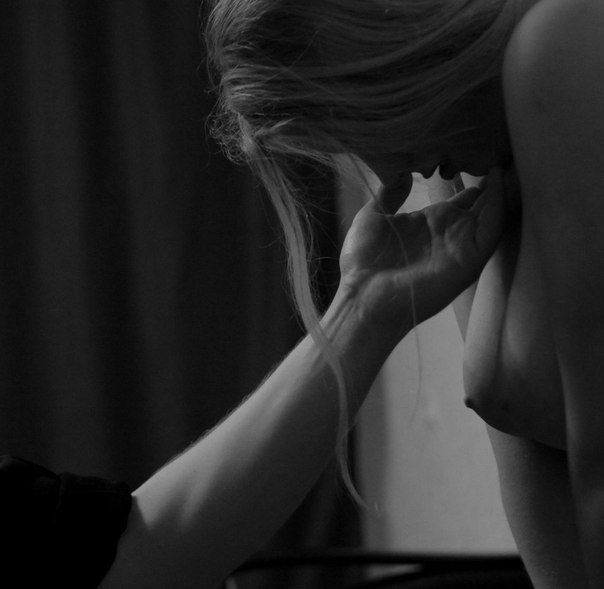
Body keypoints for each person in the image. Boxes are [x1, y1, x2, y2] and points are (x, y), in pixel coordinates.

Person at [203, 0, 604, 586]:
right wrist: (364, 302)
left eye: (364, 117)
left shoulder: (561, 46)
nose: (391, 173)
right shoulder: (471, 172)